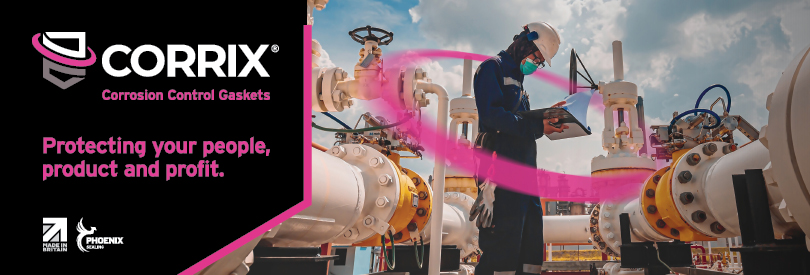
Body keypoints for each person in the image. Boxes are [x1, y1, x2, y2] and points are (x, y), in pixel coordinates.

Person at [469, 21, 565, 275]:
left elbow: (519, 123)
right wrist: (537, 126)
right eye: (537, 57)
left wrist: (546, 116)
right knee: (503, 244)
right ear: (524, 43)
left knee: (529, 243)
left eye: (540, 61)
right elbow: (492, 117)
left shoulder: (519, 83)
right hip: (500, 171)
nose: (536, 63)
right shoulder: (492, 68)